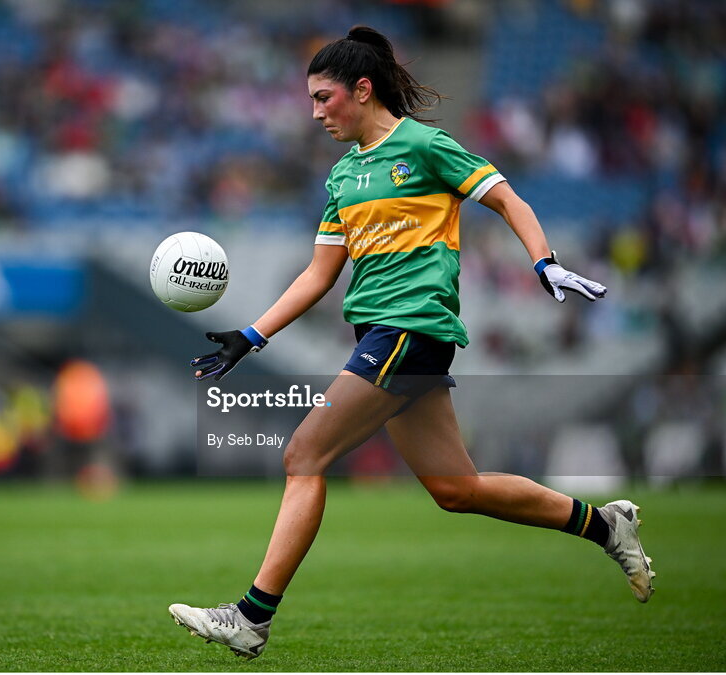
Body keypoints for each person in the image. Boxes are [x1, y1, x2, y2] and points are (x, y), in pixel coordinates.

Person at [168, 26, 654, 660]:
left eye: (324, 98)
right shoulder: (343, 176)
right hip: (381, 334)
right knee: (458, 490)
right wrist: (252, 336)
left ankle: (251, 617)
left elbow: (506, 198)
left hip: (412, 328)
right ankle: (605, 525)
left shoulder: (425, 147)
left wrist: (544, 261)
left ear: (362, 90)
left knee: (303, 456)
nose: (314, 113)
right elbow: (319, 274)